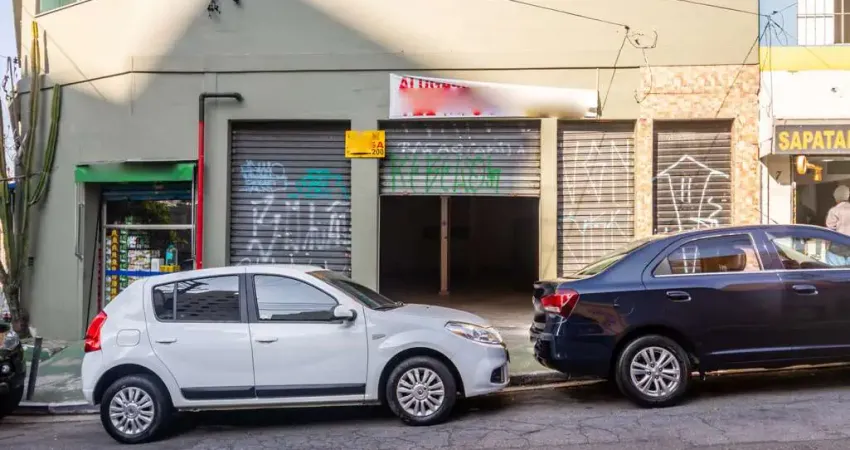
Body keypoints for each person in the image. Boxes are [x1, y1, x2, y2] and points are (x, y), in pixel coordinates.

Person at [825, 185, 850, 266]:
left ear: (836, 198)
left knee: (835, 272)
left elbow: (829, 229)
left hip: (837, 247)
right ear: (848, 196)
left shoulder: (834, 210)